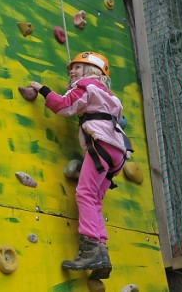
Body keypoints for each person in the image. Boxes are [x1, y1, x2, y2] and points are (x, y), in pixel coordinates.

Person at [29, 51, 131, 279]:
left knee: (84, 194)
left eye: (77, 68)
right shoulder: (110, 96)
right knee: (95, 200)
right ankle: (102, 252)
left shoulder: (86, 87)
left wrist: (41, 88)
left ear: (91, 71)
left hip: (101, 147)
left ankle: (89, 249)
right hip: (119, 152)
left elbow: (63, 106)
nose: (72, 72)